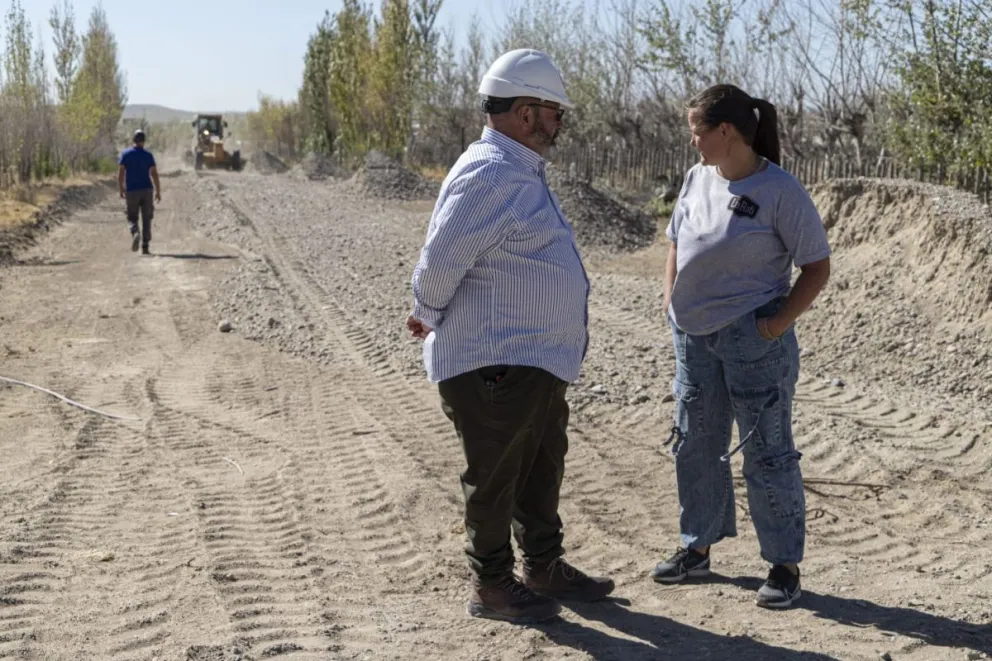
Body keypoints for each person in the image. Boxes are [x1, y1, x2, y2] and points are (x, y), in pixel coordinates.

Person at [406, 48, 615, 624]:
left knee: (539, 467)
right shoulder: (491, 172)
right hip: (495, 362)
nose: (560, 123)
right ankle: (492, 586)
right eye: (555, 112)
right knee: (495, 477)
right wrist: (426, 308)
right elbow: (442, 257)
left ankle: (544, 566)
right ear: (525, 112)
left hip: (532, 358)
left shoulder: (516, 169)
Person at [650, 84, 831, 609]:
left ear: (725, 132)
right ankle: (697, 547)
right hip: (693, 338)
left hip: (754, 342)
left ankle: (783, 566)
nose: (692, 142)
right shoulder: (695, 178)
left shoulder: (781, 191)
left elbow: (816, 268)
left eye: (696, 132)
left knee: (767, 451)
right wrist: (671, 303)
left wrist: (773, 327)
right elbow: (676, 243)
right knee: (694, 443)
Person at [118, 129, 161, 255]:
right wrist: (158, 191)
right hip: (147, 190)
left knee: (132, 217)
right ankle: (145, 246)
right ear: (144, 141)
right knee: (146, 218)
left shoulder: (125, 154)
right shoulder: (148, 155)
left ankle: (135, 232)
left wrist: (121, 188)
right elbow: (154, 174)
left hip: (132, 191)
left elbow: (121, 173)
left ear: (133, 140)